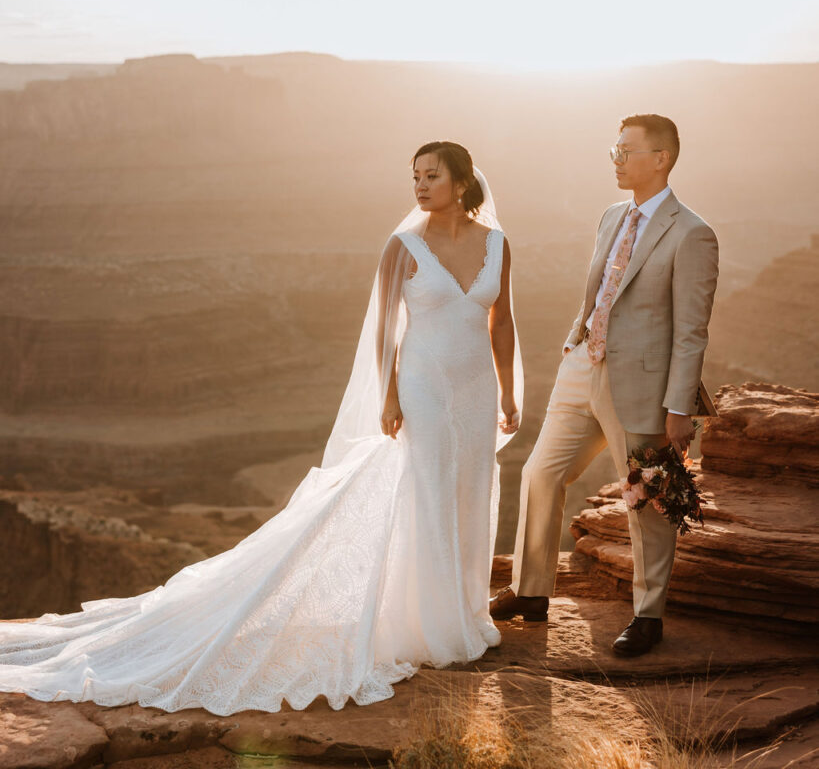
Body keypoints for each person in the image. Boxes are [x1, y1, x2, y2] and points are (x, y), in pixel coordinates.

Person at [0, 141, 522, 714]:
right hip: (422, 386)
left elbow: (502, 323)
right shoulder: (403, 247)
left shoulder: (496, 244)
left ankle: (465, 612)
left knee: (470, 490)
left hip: (476, 391)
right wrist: (390, 394)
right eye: (415, 176)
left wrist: (509, 390)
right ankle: (433, 625)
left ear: (462, 181)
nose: (420, 186)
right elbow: (383, 329)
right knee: (426, 492)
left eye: (432, 176)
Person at [491, 114, 718, 656]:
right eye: (612, 150)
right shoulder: (612, 216)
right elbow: (597, 289)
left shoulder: (692, 233)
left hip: (640, 388)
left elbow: (691, 331)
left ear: (660, 158)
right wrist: (575, 343)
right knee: (541, 474)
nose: (615, 159)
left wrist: (678, 407)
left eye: (625, 150)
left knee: (646, 498)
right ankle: (531, 592)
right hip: (580, 369)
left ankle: (648, 615)